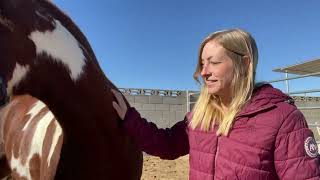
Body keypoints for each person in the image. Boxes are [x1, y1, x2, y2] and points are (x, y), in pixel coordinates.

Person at [111, 29, 320, 179]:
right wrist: (130, 119)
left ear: (245, 63)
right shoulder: (200, 116)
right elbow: (166, 144)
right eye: (202, 64)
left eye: (214, 62)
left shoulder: (283, 118)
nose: (203, 72)